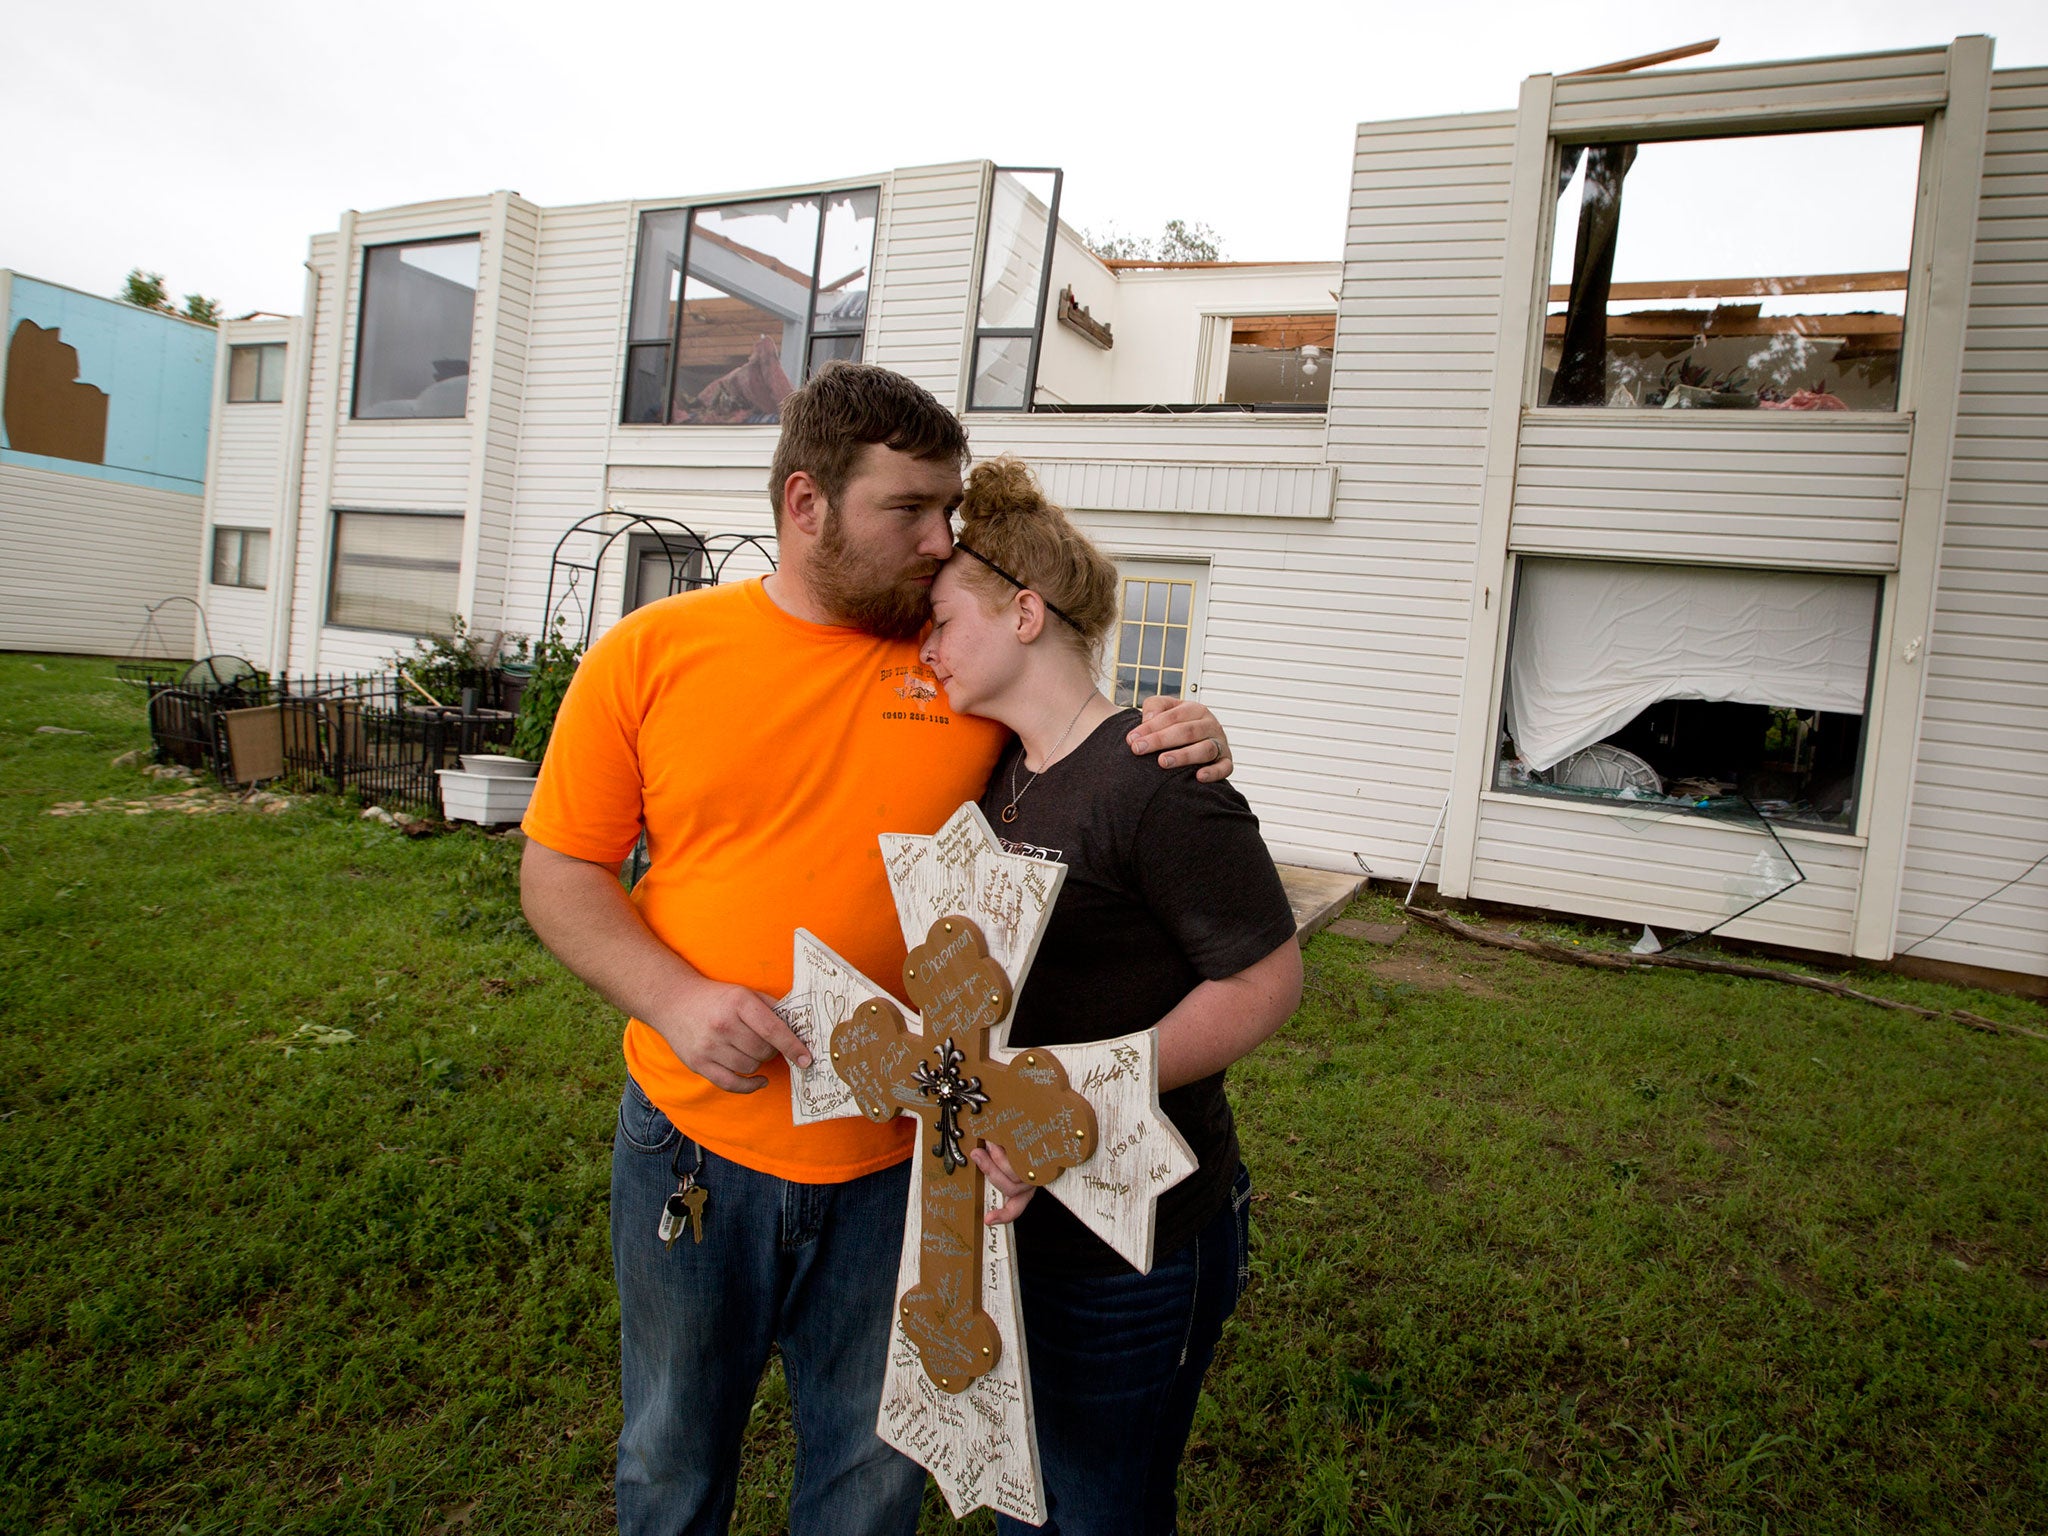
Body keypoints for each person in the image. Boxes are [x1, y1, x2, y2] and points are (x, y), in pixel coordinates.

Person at [516, 363, 1237, 1536]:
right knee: (669, 1452)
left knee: (868, 1476)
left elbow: (1079, 738)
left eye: (948, 509)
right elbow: (559, 871)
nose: (937, 539)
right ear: (805, 505)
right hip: (696, 1141)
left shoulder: (954, 659)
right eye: (907, 509)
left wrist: (1179, 726)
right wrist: (676, 997)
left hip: (902, 1161)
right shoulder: (651, 655)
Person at [919, 458, 1304, 1536]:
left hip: (1136, 1237)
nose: (928, 647)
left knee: (1098, 1510)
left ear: (1025, 612)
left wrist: (1072, 1097)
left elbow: (1266, 982)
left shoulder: (1153, 775)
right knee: (1022, 1498)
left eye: (943, 620)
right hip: (1008, 1225)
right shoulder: (994, 775)